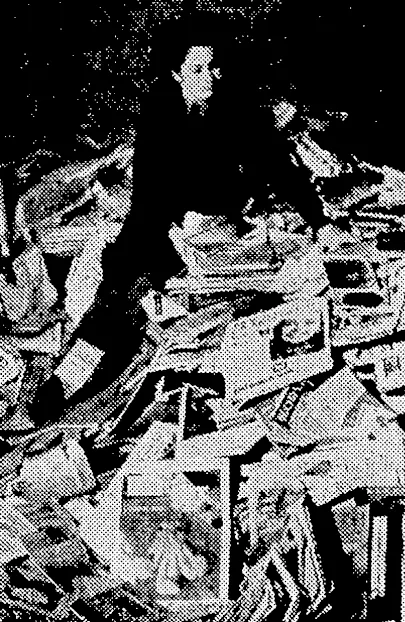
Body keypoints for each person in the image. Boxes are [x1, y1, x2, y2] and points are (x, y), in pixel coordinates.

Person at [39, 15, 335, 411]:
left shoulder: (239, 110)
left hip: (225, 220)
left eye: (214, 66)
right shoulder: (158, 118)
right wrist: (160, 239)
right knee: (123, 281)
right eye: (198, 69)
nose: (211, 77)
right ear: (177, 74)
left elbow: (277, 166)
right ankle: (71, 375)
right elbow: (147, 199)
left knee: (277, 285)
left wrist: (318, 219)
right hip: (167, 219)